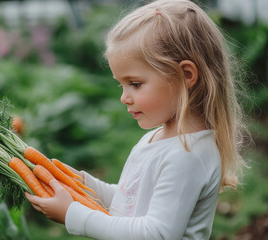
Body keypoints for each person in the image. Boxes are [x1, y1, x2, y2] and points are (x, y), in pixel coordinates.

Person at [26, 0, 249, 239]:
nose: (124, 98)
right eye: (121, 84)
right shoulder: (157, 138)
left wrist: (73, 214)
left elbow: (156, 233)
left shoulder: (189, 155)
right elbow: (128, 201)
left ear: (185, 75)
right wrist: (80, 182)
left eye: (135, 84)